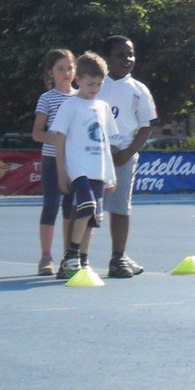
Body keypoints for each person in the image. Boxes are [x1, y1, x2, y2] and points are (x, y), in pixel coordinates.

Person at [97, 35, 159, 278]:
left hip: (123, 157)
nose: (127, 59)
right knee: (84, 207)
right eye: (120, 55)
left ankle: (118, 257)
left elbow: (146, 126)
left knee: (121, 209)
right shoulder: (95, 85)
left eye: (130, 54)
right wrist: (103, 148)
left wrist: (126, 153)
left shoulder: (139, 90)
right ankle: (76, 257)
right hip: (94, 156)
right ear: (107, 59)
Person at [53, 51, 117, 280]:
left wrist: (111, 175)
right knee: (86, 206)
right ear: (78, 79)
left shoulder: (103, 107)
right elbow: (59, 139)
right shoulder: (70, 106)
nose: (95, 88)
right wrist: (62, 172)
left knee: (93, 218)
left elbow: (106, 142)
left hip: (97, 170)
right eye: (90, 83)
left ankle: (82, 258)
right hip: (77, 167)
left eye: (99, 84)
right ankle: (71, 254)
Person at [31, 48, 77, 275]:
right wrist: (59, 138)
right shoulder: (47, 98)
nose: (66, 72)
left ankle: (68, 256)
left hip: (75, 162)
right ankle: (45, 257)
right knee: (51, 205)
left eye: (69, 67)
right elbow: (37, 134)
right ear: (51, 72)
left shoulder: (82, 97)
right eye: (61, 68)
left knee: (72, 208)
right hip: (51, 160)